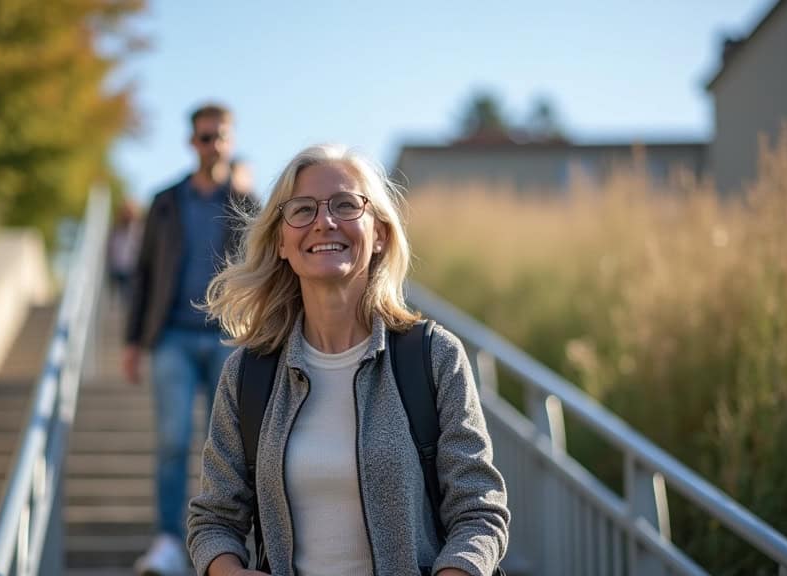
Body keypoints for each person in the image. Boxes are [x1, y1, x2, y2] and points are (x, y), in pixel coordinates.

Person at [188, 144, 510, 575]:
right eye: (302, 209)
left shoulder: (433, 356)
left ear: (379, 233)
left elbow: (479, 512)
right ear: (281, 241)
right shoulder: (248, 374)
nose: (324, 222)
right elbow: (213, 521)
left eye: (346, 205)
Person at [125, 102, 256, 576]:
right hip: (172, 336)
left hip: (228, 338)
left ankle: (223, 546)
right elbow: (142, 273)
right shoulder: (165, 201)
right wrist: (132, 341)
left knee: (226, 445)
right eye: (204, 137)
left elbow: (264, 272)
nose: (212, 145)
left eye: (220, 136)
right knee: (171, 440)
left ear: (231, 140)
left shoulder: (247, 202)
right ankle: (167, 542)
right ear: (190, 142)